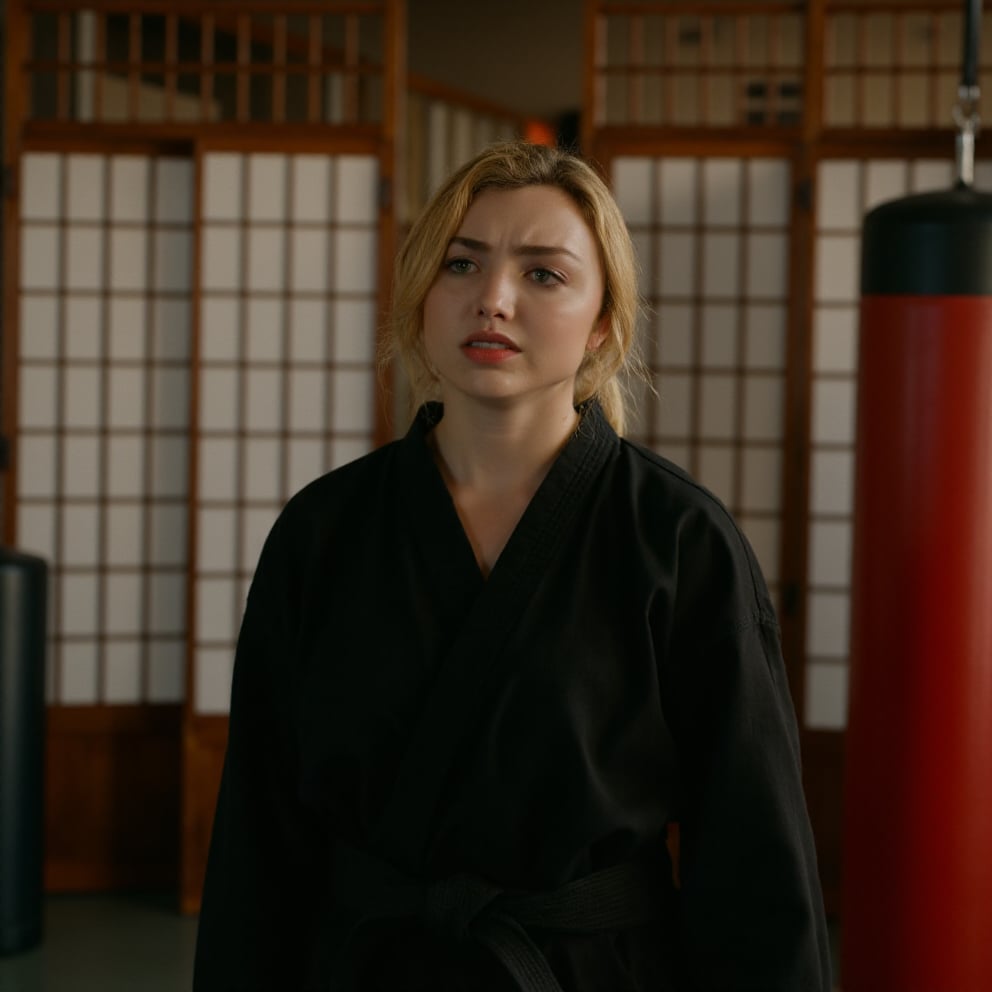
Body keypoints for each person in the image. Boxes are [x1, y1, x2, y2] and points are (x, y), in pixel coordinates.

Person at [193, 140, 831, 991]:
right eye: (462, 263)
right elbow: (257, 841)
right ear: (422, 293)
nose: (491, 299)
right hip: (365, 968)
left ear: (604, 319)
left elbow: (755, 863)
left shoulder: (680, 542)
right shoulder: (325, 533)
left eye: (543, 274)